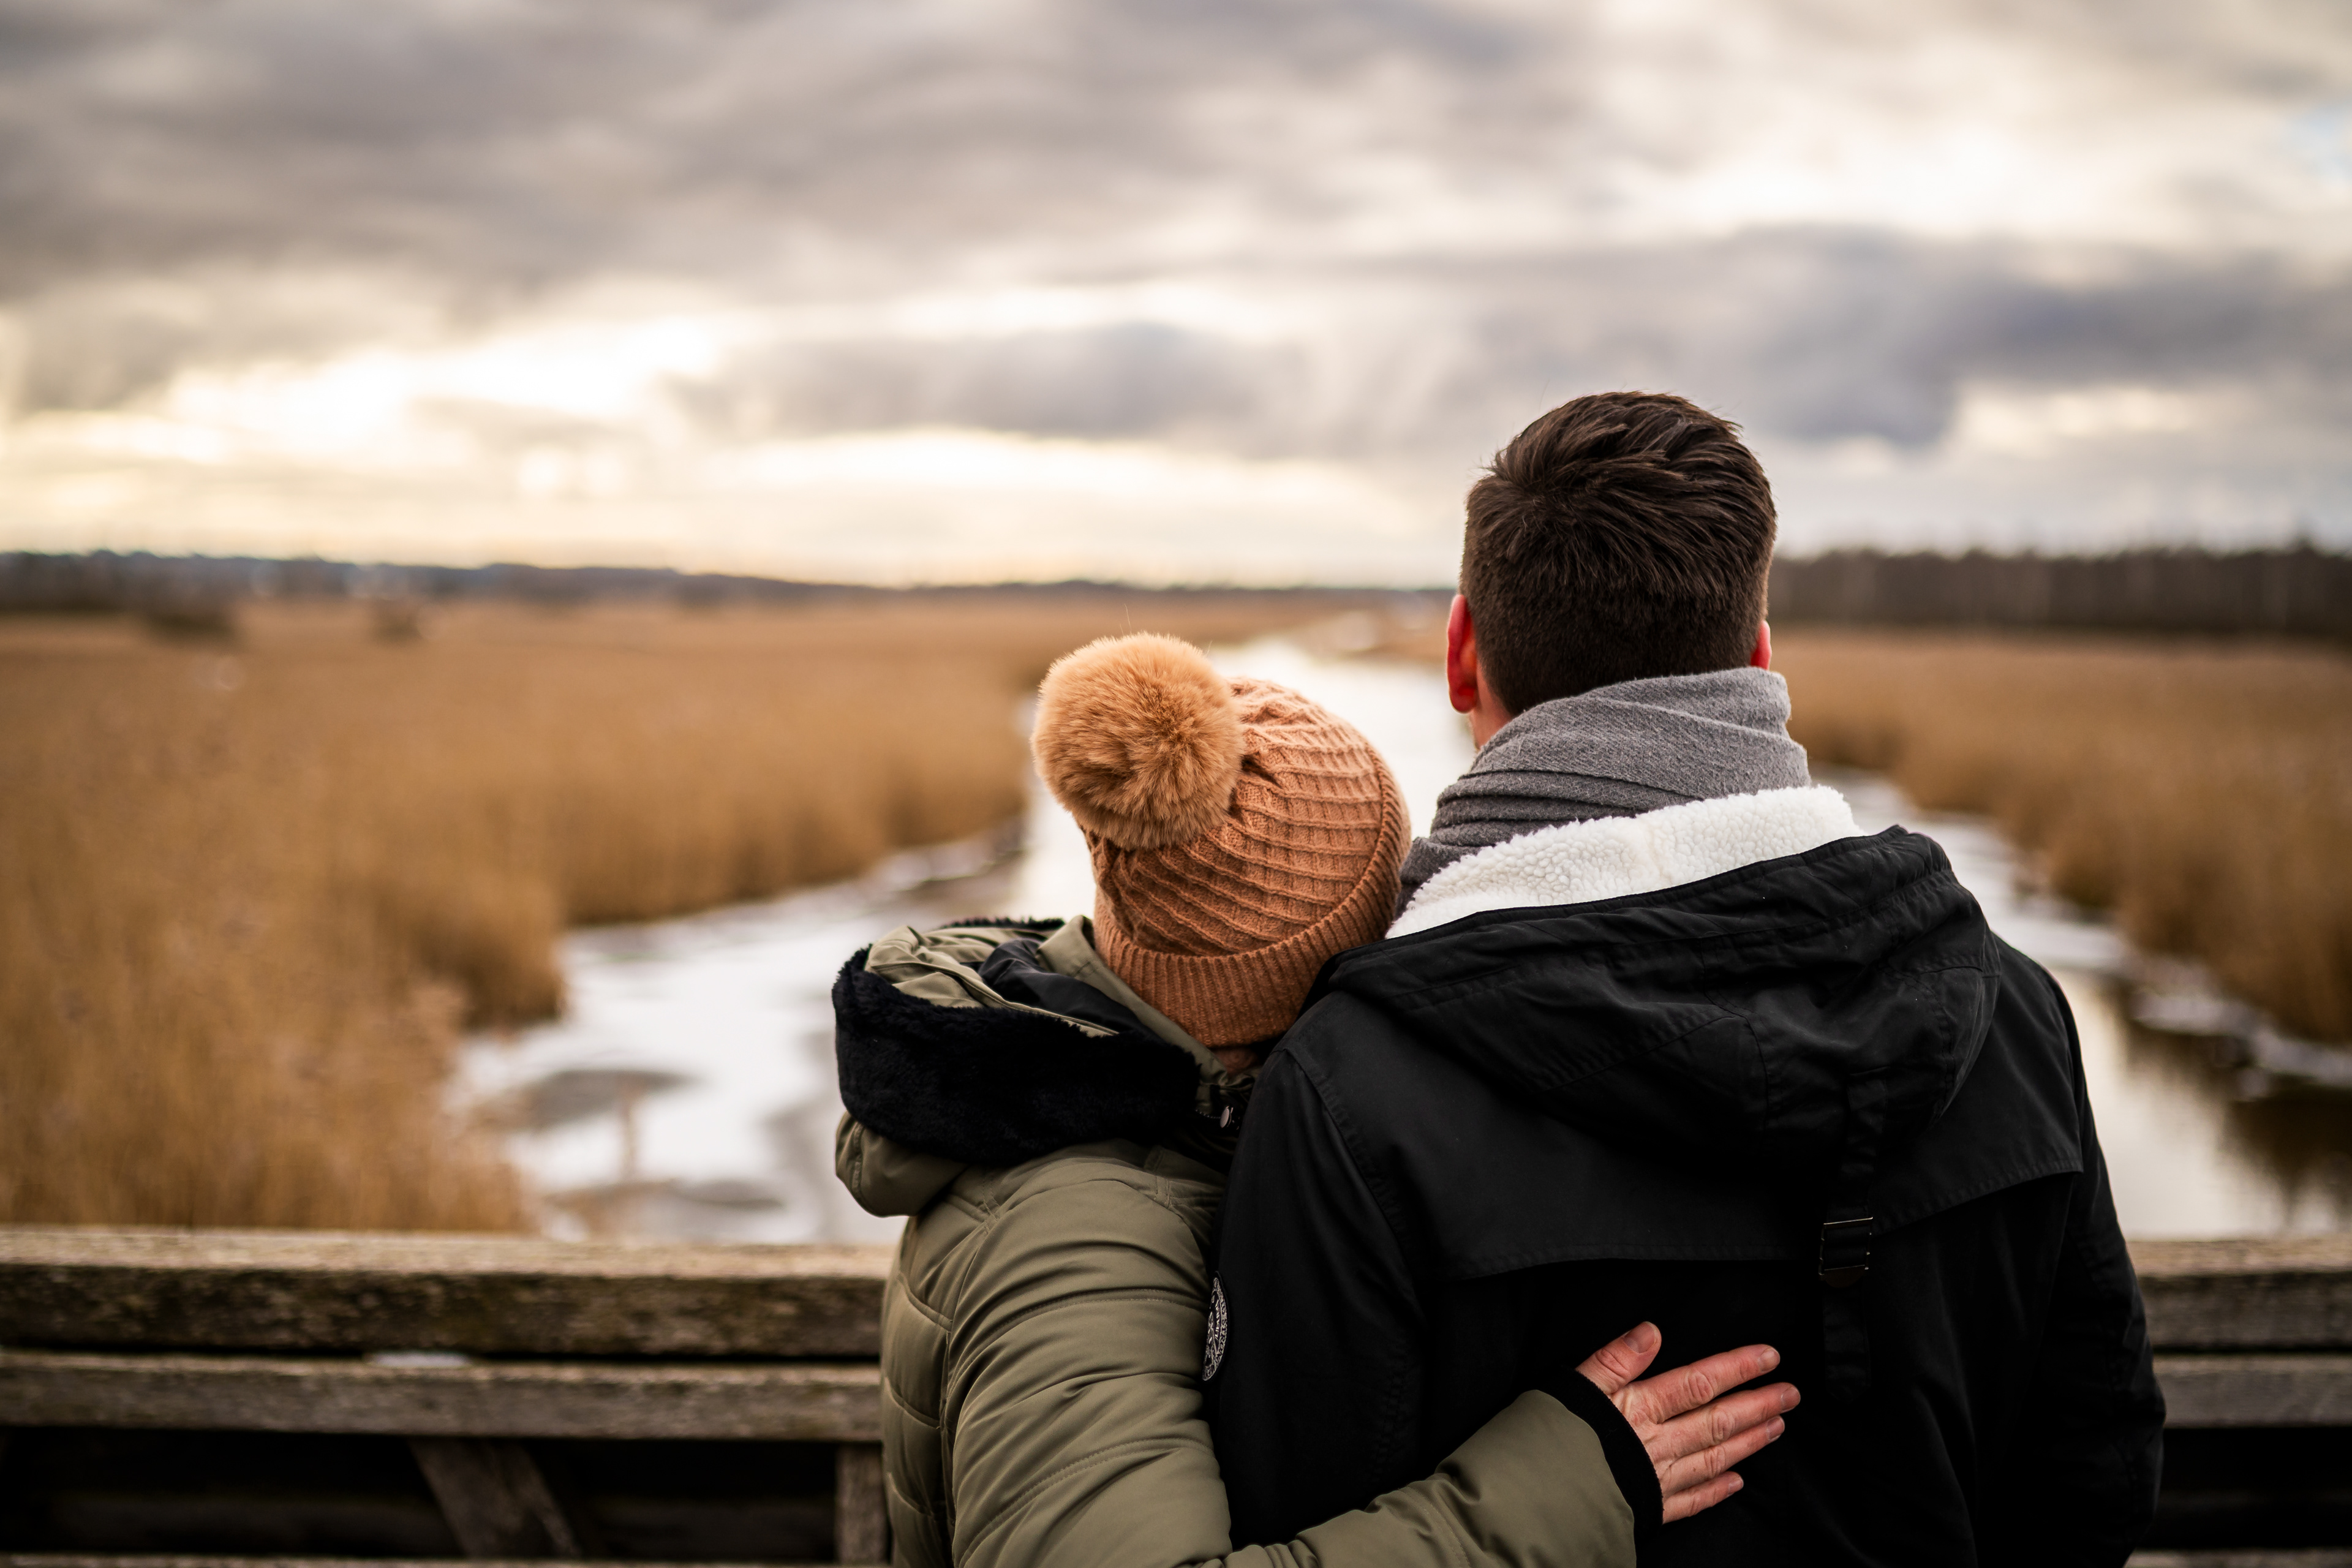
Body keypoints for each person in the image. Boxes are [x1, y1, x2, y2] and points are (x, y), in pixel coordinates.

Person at [1205, 393, 2166, 1568]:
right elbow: (2094, 1478)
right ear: (1760, 658)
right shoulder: (2013, 1013)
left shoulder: (1351, 1088)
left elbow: (1291, 1514)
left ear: (1463, 656)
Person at [831, 631, 1801, 1568]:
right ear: (1310, 970)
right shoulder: (1075, 1239)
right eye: (1389, 911)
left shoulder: (1140, 1112)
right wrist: (1572, 1488)